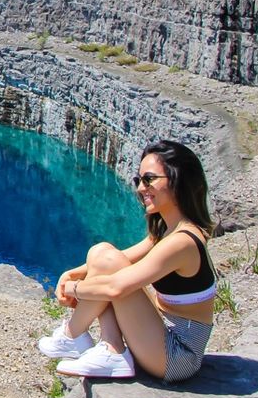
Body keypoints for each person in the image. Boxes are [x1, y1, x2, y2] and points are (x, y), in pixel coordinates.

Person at [38, 139, 216, 382]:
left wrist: (74, 289)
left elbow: (116, 287)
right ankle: (105, 346)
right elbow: (115, 259)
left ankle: (74, 336)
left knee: (109, 269)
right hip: (160, 331)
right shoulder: (168, 229)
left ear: (178, 180)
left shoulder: (182, 242)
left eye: (149, 179)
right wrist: (72, 273)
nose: (141, 188)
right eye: (138, 180)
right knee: (101, 252)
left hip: (177, 356)